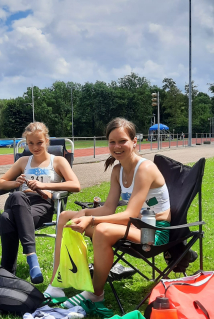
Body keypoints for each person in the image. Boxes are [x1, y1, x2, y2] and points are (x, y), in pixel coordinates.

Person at [44, 117, 171, 306]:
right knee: (64, 216)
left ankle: (95, 294)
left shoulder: (145, 168)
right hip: (133, 225)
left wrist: (92, 220)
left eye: (122, 141)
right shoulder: (117, 170)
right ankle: (56, 285)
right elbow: (108, 208)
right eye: (112, 142)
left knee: (103, 231)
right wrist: (86, 214)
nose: (117, 146)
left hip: (152, 231)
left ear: (134, 142)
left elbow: (130, 214)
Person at [0, 122, 80, 284]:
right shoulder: (23, 162)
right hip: (21, 201)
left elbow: (76, 186)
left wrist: (44, 185)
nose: (35, 147)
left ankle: (6, 273)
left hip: (43, 204)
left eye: (39, 142)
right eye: (31, 143)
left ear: (47, 141)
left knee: (6, 218)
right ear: (26, 144)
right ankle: (32, 258)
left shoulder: (58, 161)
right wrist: (15, 183)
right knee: (17, 196)